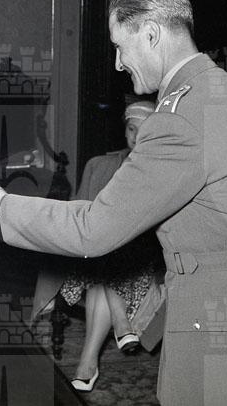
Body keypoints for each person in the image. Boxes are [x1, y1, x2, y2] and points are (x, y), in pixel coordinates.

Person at [0, 0, 227, 405]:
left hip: (217, 310)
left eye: (119, 47)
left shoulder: (179, 118)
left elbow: (95, 229)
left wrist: (2, 205)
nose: (117, 63)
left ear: (151, 34)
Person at [57, 100, 163, 391]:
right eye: (131, 129)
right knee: (99, 253)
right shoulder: (101, 165)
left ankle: (87, 362)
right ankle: (118, 324)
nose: (136, 137)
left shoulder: (162, 170)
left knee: (100, 262)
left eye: (144, 130)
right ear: (124, 131)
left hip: (139, 255)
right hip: (99, 249)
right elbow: (78, 210)